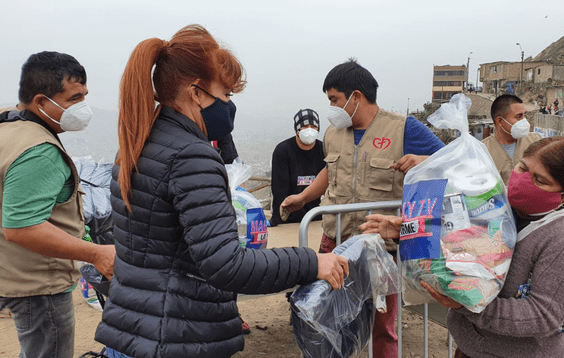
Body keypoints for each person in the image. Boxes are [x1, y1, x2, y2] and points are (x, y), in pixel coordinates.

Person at [93, 25, 348, 358]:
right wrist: (310, 262)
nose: (229, 106)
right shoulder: (192, 155)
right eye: (226, 94)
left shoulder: (138, 141)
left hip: (132, 331)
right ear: (196, 92)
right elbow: (226, 264)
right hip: (175, 337)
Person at [362, 136, 564, 358]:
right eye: (523, 168)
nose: (524, 180)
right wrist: (407, 229)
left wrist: (467, 304)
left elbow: (542, 316)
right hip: (472, 347)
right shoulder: (499, 205)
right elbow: (457, 241)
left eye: (540, 180)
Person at [281, 59, 444, 358]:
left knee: (382, 324)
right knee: (326, 318)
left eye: (334, 99)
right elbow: (330, 172)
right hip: (335, 241)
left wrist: (423, 161)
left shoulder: (403, 129)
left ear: (356, 97)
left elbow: (450, 160)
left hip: (379, 247)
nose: (331, 107)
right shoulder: (332, 133)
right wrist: (304, 198)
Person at [0, 51, 116, 358]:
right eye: (74, 98)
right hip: (38, 282)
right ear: (41, 102)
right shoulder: (38, 150)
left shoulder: (6, 124)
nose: (83, 108)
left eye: (84, 96)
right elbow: (22, 228)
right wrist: (96, 253)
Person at [269, 108, 325, 226]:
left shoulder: (324, 150)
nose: (309, 130)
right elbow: (279, 188)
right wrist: (277, 220)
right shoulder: (283, 151)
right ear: (296, 129)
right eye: (304, 126)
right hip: (289, 218)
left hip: (316, 216)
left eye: (313, 126)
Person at [482, 94, 541, 185]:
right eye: (518, 117)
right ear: (500, 122)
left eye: (524, 116)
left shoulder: (536, 142)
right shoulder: (483, 150)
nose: (524, 121)